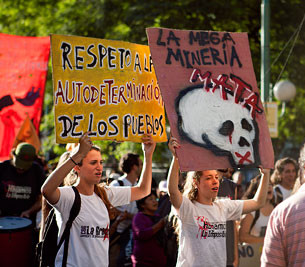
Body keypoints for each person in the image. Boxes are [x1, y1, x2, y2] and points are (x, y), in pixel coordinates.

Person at [41, 132, 156, 267]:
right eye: (93, 162)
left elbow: (143, 190)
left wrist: (148, 155)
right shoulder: (69, 196)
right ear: (77, 167)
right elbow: (46, 190)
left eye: (100, 162)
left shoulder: (105, 194)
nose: (99, 167)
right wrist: (77, 155)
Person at [167, 136, 270, 267]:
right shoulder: (188, 208)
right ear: (196, 182)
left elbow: (258, 202)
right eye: (209, 178)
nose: (215, 181)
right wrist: (176, 159)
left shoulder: (224, 205)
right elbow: (173, 191)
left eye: (216, 177)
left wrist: (265, 174)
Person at [261, 143, 305, 266]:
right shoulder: (277, 197)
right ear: (280, 174)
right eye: (287, 171)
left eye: (293, 171)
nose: (291, 175)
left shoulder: (282, 211)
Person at [109, 152, 143, 266]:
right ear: (134, 167)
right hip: (116, 235)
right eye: (141, 164)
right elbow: (107, 209)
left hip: (133, 234)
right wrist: (128, 216)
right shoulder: (117, 185)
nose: (143, 167)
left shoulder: (139, 186)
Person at [0, 142, 46, 222]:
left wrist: (29, 211)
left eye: (25, 167)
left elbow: (43, 198)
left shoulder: (37, 171)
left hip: (27, 221)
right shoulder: (2, 168)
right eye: (19, 165)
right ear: (13, 155)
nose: (21, 168)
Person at [131, 191, 167, 267]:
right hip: (143, 263)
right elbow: (141, 234)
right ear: (142, 204)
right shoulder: (139, 217)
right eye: (151, 199)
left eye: (155, 199)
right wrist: (159, 225)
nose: (155, 201)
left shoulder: (158, 217)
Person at [239, 175, 275, 244]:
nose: (269, 187)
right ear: (255, 191)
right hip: (255, 253)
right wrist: (266, 241)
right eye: (265, 185)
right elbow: (242, 237)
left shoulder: (277, 208)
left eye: (270, 184)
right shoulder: (251, 211)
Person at [217, 168, 238, 267]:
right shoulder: (200, 183)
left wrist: (235, 256)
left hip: (227, 255)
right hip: (206, 256)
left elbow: (233, 222)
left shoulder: (231, 186)